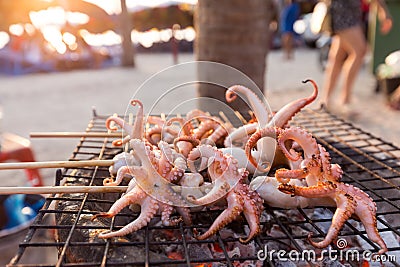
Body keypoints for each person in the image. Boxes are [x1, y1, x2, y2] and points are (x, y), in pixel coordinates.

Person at [320, 0, 392, 115]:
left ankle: (326, 100)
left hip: (344, 10)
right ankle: (345, 100)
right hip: (344, 12)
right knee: (359, 52)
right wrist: (384, 11)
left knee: (338, 56)